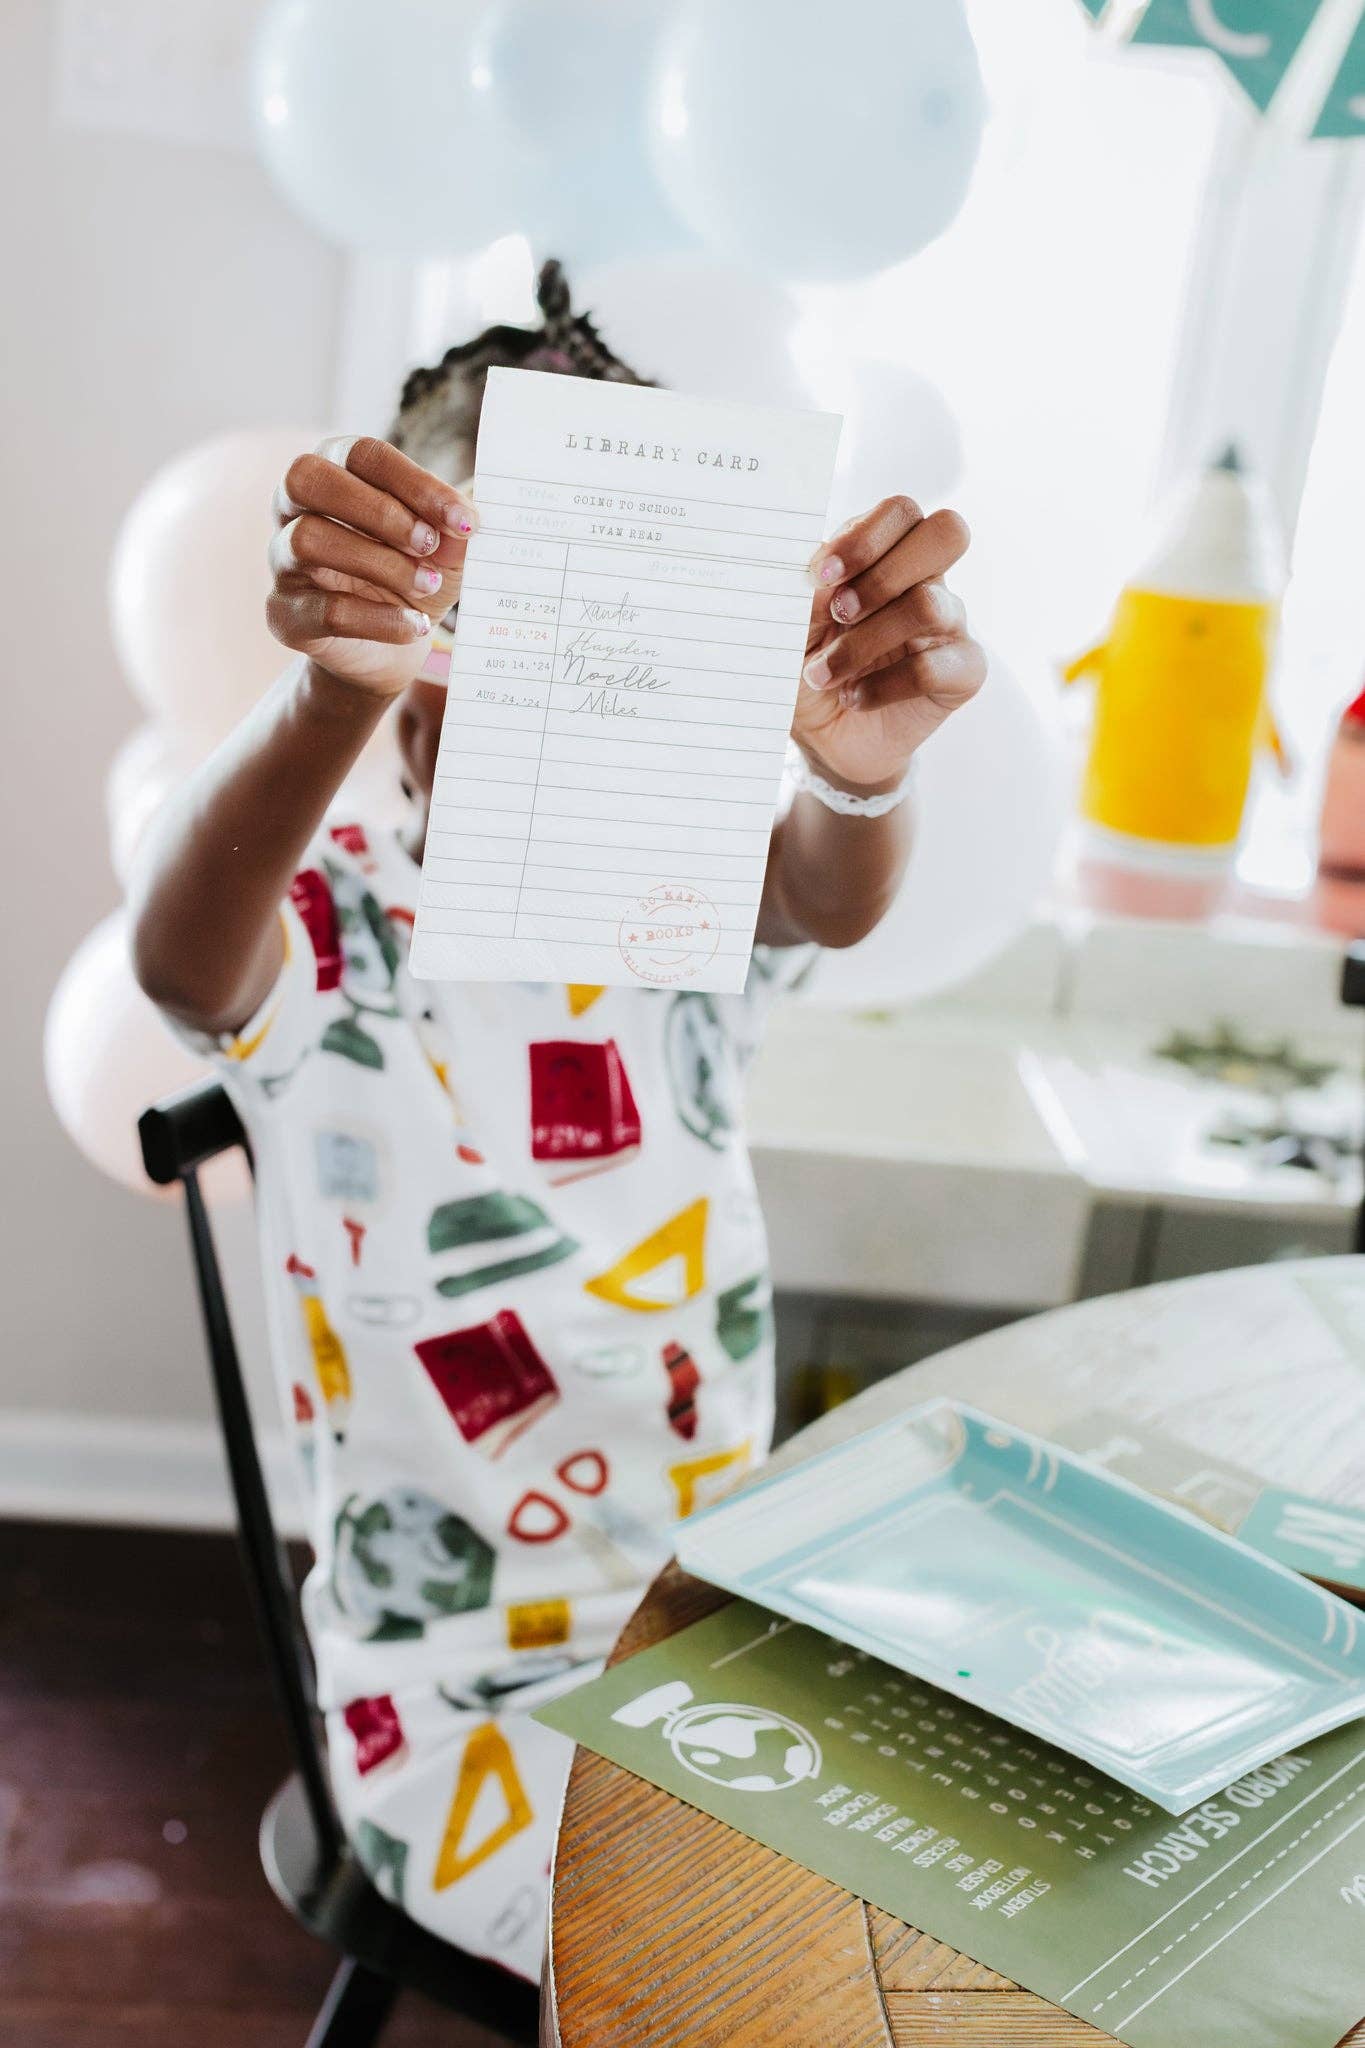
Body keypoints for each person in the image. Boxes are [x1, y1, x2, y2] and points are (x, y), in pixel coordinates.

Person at [127, 261, 985, 1982]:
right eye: (472, 647)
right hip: (455, 1711)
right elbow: (179, 957)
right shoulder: (337, 920)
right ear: (410, 668)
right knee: (764, 1976)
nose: (530, 701)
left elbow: (822, 897)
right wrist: (330, 691)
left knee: (965, 1915)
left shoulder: (666, 910)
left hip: (724, 1631)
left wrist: (858, 771)